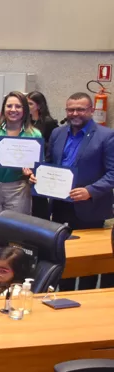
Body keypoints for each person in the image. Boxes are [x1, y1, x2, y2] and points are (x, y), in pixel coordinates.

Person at [43, 92, 114, 290]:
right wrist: (38, 176)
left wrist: (90, 191)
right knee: (62, 254)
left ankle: (84, 296)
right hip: (59, 205)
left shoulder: (106, 136)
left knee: (86, 261)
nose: (75, 113)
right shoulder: (58, 133)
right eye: (71, 109)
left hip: (89, 207)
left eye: (81, 109)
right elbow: (49, 163)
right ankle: (63, 291)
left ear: (91, 110)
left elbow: (112, 173)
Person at [0, 91, 42, 236]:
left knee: (17, 233)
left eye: (18, 106)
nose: (13, 110)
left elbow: (39, 169)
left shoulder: (34, 135)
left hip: (19, 188)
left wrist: (31, 174)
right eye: (9, 106)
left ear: (25, 110)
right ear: (3, 109)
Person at [28, 90, 58, 220]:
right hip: (27, 162)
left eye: (30, 104)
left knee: (38, 200)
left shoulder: (48, 122)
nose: (26, 106)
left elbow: (52, 145)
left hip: (42, 163)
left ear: (39, 106)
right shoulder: (26, 120)